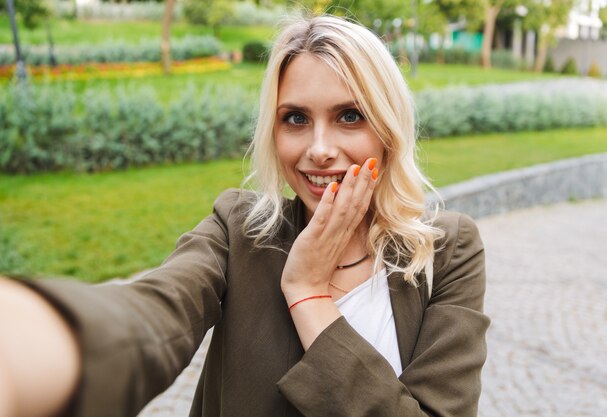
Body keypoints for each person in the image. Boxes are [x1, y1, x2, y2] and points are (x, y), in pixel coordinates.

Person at [0, 14, 489, 417]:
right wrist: (42, 339)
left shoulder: (446, 252)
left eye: (349, 115)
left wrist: (309, 294)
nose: (319, 150)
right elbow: (155, 315)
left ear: (388, 125)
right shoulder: (240, 230)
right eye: (295, 118)